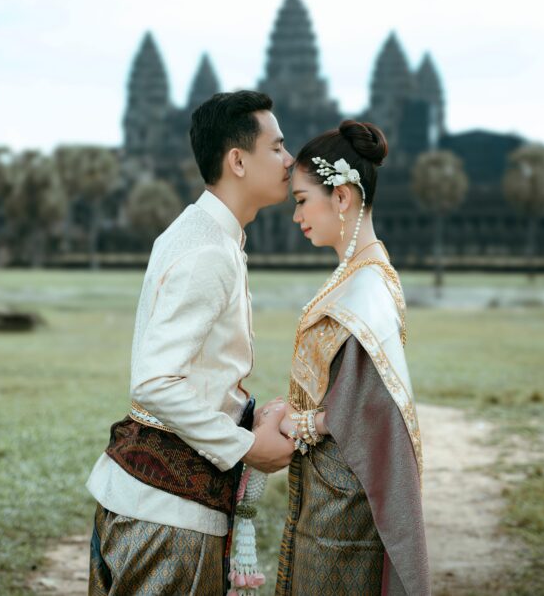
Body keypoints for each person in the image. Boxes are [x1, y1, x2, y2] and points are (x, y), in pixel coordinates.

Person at [86, 90, 297, 595]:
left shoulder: (202, 234)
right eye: (277, 148)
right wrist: (248, 447)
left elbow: (197, 371)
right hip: (168, 523)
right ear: (238, 161)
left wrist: (247, 412)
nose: (290, 161)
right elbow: (156, 380)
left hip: (150, 507)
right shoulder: (208, 250)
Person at [275, 120, 431, 595]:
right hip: (329, 488)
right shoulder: (359, 276)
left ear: (341, 197)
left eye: (302, 200)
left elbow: (371, 408)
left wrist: (300, 424)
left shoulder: (368, 287)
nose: (297, 215)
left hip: (346, 505)